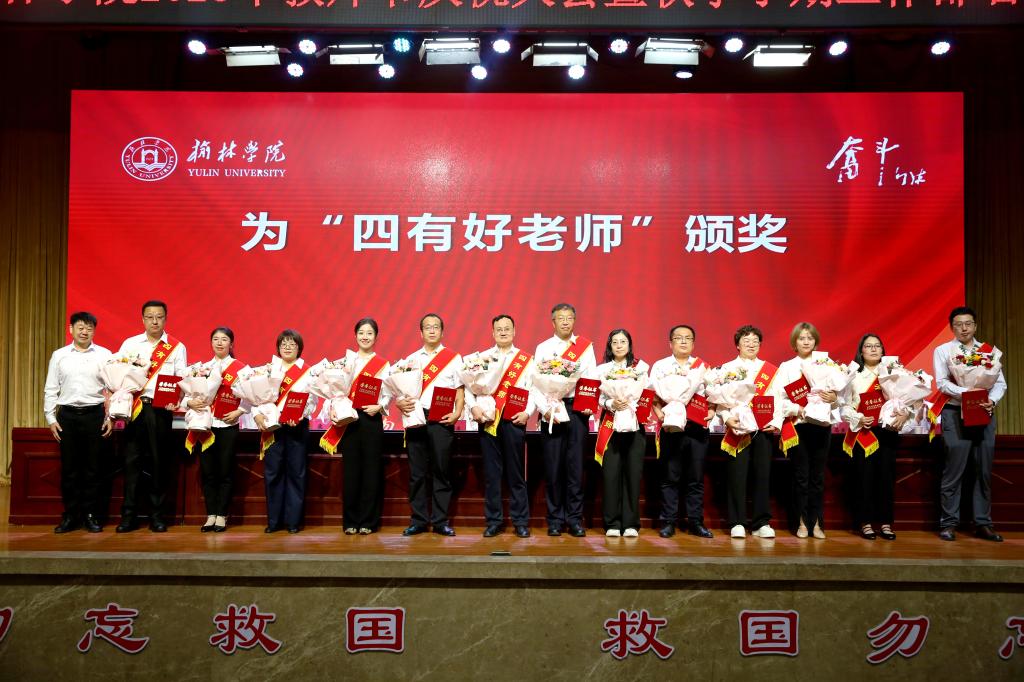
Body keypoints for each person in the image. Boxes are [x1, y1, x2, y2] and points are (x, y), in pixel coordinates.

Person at [933, 306, 1007, 542]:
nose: (963, 328)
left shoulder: (987, 351)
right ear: (951, 327)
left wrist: (991, 400)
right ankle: (948, 523)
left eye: (968, 324)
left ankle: (983, 523)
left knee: (982, 470)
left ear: (975, 326)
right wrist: (968, 393)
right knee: (954, 470)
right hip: (955, 412)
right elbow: (942, 383)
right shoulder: (943, 350)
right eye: (958, 324)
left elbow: (1000, 383)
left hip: (983, 412)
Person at [116, 300, 188, 533]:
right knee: (132, 463)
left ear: (165, 319)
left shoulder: (176, 347)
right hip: (136, 408)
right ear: (143, 319)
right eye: (150, 317)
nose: (154, 321)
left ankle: (157, 516)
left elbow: (182, 379)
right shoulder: (130, 344)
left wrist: (178, 399)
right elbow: (118, 372)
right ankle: (129, 516)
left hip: (160, 410)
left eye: (159, 317)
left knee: (159, 463)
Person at [43, 311, 113, 533]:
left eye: (89, 328)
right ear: (71, 329)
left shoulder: (104, 355)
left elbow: (112, 388)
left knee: (94, 469)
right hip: (67, 417)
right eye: (80, 327)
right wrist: (50, 418)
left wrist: (110, 417)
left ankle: (91, 515)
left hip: (95, 416)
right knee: (70, 470)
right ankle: (71, 516)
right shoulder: (59, 355)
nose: (84, 331)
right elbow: (51, 388)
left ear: (94, 331)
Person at [466, 315, 534, 538]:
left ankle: (520, 521)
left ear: (514, 332)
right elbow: (468, 387)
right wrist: (473, 407)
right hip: (488, 420)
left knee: (516, 473)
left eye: (507, 329)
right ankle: (494, 521)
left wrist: (527, 412)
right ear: (493, 333)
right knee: (492, 474)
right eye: (499, 329)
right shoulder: (482, 358)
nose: (503, 332)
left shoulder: (526, 360)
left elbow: (533, 389)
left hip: (514, 419)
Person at [396, 314, 464, 537]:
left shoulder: (454, 358)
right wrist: (399, 402)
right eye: (428, 327)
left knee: (441, 471)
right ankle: (418, 520)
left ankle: (440, 521)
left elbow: (460, 389)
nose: (432, 331)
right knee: (417, 472)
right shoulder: (411, 359)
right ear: (421, 332)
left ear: (442, 332)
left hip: (442, 418)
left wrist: (457, 413)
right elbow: (401, 390)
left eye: (436, 327)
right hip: (416, 417)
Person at [533, 303, 597, 538]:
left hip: (576, 409)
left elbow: (590, 378)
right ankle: (554, 519)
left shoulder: (585, 347)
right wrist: (544, 409)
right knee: (553, 467)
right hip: (551, 409)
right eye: (561, 318)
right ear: (553, 322)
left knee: (575, 467)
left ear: (574, 321)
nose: (566, 322)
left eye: (569, 318)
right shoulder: (543, 347)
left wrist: (588, 405)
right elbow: (535, 382)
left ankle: (574, 519)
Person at [714, 325, 781, 540]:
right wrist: (726, 418)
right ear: (737, 345)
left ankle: (761, 522)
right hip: (738, 427)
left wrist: (776, 422)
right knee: (737, 475)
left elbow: (779, 399)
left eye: (755, 341)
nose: (751, 344)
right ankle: (737, 522)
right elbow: (719, 400)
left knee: (762, 475)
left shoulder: (770, 370)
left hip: (763, 428)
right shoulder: (727, 368)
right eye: (746, 341)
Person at [841, 334, 909, 541]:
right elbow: (844, 407)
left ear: (882, 350)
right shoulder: (853, 375)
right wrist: (859, 418)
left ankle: (886, 523)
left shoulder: (894, 373)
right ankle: (865, 522)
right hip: (864, 432)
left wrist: (904, 414)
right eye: (868, 346)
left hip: (887, 431)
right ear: (861, 351)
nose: (873, 349)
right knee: (864, 478)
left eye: (877, 346)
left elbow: (908, 400)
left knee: (886, 479)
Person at [650, 325, 715, 539]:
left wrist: (712, 410)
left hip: (696, 428)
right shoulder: (660, 366)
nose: (684, 341)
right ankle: (668, 522)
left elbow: (713, 394)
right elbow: (652, 395)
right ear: (670, 343)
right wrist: (658, 413)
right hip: (671, 426)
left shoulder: (702, 367)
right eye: (679, 338)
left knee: (695, 478)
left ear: (693, 344)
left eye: (688, 338)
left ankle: (695, 522)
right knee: (670, 476)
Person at [775, 322, 837, 540]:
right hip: (799, 426)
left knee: (818, 478)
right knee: (801, 477)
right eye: (802, 338)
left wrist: (834, 398)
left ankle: (817, 523)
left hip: (822, 427)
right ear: (795, 342)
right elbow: (779, 399)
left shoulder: (827, 364)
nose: (806, 341)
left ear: (815, 341)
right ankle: (801, 522)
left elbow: (841, 398)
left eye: (810, 338)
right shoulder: (787, 367)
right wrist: (798, 409)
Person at [256, 329, 318, 534]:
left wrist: (301, 414)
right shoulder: (269, 369)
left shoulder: (307, 371)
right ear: (278, 348)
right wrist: (257, 415)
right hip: (273, 426)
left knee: (296, 473)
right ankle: (274, 521)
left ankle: (293, 521)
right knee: (272, 473)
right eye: (284, 344)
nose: (288, 347)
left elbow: (312, 401)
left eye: (292, 344)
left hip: (297, 426)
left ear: (299, 348)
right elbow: (258, 397)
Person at [187, 327, 248, 533]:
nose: (220, 343)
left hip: (228, 425)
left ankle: (222, 514)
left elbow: (251, 396)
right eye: (215, 339)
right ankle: (210, 514)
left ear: (231, 344)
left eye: (224, 339)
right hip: (206, 425)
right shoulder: (202, 368)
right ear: (211, 343)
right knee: (208, 471)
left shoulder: (240, 369)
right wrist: (190, 403)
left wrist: (239, 411)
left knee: (225, 471)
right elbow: (188, 396)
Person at [337, 318, 391, 535]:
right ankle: (350, 521)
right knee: (350, 472)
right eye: (361, 332)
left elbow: (388, 393)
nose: (365, 337)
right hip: (349, 419)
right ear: (355, 335)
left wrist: (380, 406)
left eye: (369, 333)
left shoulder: (383, 364)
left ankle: (368, 521)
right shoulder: (345, 362)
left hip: (371, 419)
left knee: (371, 471)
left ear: (376, 337)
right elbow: (336, 390)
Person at [593, 329, 649, 538]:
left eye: (623, 341)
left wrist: (630, 402)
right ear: (610, 346)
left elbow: (647, 394)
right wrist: (611, 403)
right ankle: (612, 523)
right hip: (610, 422)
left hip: (634, 422)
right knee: (611, 474)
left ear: (629, 345)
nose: (619, 345)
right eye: (614, 342)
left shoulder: (640, 369)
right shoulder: (602, 370)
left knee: (633, 473)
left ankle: (631, 523)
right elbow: (598, 397)